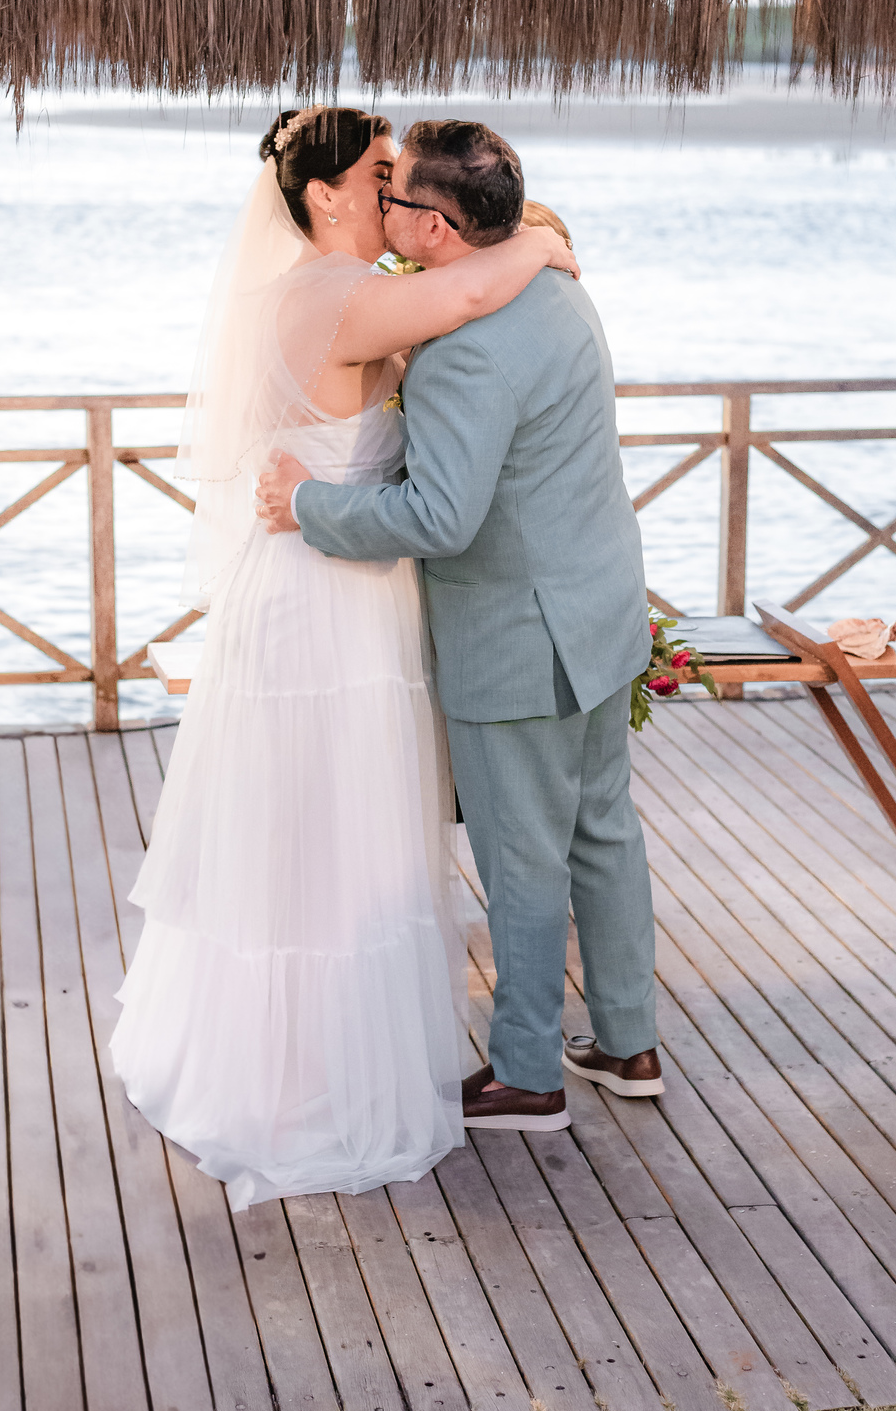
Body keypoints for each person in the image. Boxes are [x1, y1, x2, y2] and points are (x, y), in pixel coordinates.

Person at [110, 105, 576, 1210]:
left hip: (328, 584)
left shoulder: (312, 292)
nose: (394, 191)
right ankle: (307, 1082)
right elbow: (465, 289)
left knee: (310, 830)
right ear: (324, 195)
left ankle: (288, 1057)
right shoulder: (338, 293)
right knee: (330, 835)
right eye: (377, 174)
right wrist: (543, 242)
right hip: (327, 598)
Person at [258, 119, 664, 1133]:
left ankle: (528, 1071)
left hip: (518, 640)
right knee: (604, 830)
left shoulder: (463, 353)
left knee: (524, 858)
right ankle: (628, 1040)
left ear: (436, 227)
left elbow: (439, 518)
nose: (386, 208)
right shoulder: (558, 290)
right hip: (605, 611)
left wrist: (307, 504)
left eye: (397, 198)